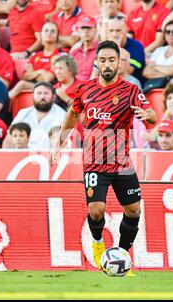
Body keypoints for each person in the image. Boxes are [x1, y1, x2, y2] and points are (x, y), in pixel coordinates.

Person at [51, 40, 157, 275]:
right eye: (103, 60)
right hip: (94, 161)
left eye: (112, 59)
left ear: (119, 63)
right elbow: (72, 114)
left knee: (133, 211)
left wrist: (146, 114)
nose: (107, 64)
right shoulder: (84, 90)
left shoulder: (131, 91)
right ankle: (98, 244)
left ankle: (121, 256)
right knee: (96, 210)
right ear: (97, 63)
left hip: (122, 163)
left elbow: (152, 115)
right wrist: (60, 141)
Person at [4, 81, 66, 149]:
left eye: (46, 93)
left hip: (49, 156)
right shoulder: (23, 113)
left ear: (53, 97)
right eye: (39, 93)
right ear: (33, 96)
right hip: (23, 156)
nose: (42, 97)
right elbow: (9, 140)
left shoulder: (62, 115)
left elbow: (66, 143)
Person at [9, 22, 64, 99]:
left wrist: (32, 73)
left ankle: (4, 102)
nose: (49, 33)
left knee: (22, 84)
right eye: (46, 30)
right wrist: (40, 72)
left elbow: (48, 78)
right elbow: (24, 76)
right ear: (41, 34)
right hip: (35, 86)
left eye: (52, 31)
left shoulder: (60, 55)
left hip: (52, 89)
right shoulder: (35, 55)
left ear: (57, 36)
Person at [143, 20, 173, 91]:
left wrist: (154, 67)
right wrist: (167, 76)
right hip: (155, 87)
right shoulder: (159, 50)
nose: (171, 34)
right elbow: (146, 72)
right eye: (167, 32)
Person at [103, 16, 146, 85]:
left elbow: (127, 72)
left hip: (132, 85)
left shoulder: (137, 47)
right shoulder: (104, 48)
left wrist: (117, 49)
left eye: (118, 30)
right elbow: (96, 72)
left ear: (126, 30)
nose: (114, 35)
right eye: (111, 30)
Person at [70, 16, 98, 82]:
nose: (86, 31)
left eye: (89, 28)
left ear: (96, 30)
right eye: (83, 28)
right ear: (78, 30)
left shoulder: (101, 51)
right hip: (75, 88)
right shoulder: (74, 51)